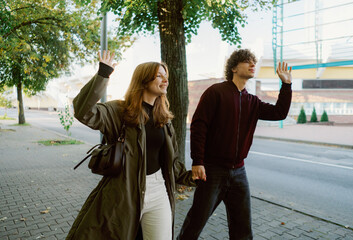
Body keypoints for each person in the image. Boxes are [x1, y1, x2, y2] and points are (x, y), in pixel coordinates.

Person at [66, 50, 195, 240]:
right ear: (143, 80)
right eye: (159, 75)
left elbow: (172, 161)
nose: (165, 79)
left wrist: (190, 177)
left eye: (165, 75)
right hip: (124, 192)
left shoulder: (164, 119)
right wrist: (103, 74)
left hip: (159, 189)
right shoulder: (120, 110)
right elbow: (84, 112)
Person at [177, 49, 292, 240]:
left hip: (239, 172)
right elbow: (199, 126)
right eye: (247, 61)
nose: (252, 64)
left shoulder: (251, 101)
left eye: (253, 61)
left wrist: (286, 85)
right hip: (212, 171)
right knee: (195, 223)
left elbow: (279, 113)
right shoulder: (216, 92)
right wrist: (198, 161)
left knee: (243, 229)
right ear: (234, 68)